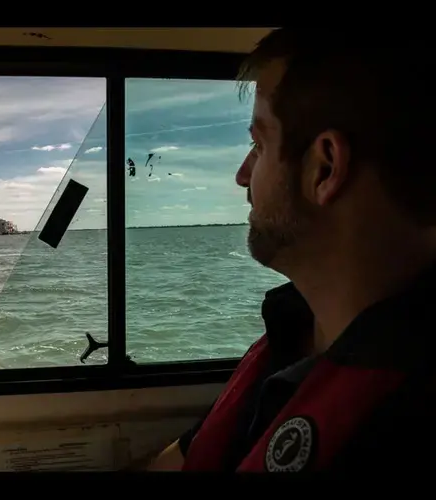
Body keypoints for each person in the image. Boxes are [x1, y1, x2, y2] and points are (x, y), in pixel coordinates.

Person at [147, 27, 436, 473]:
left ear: (324, 168)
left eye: (259, 146)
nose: (242, 176)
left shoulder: (401, 418)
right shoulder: (293, 327)